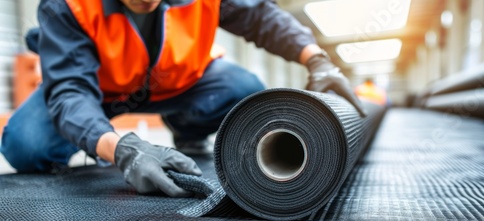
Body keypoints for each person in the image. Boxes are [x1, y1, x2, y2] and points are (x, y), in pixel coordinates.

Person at [1, 0, 364, 197]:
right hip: (96, 94)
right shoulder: (68, 5)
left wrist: (317, 60)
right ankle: (89, 142)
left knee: (243, 90)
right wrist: (121, 149)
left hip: (177, 84)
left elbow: (261, 17)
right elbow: (71, 93)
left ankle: (187, 128)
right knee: (24, 144)